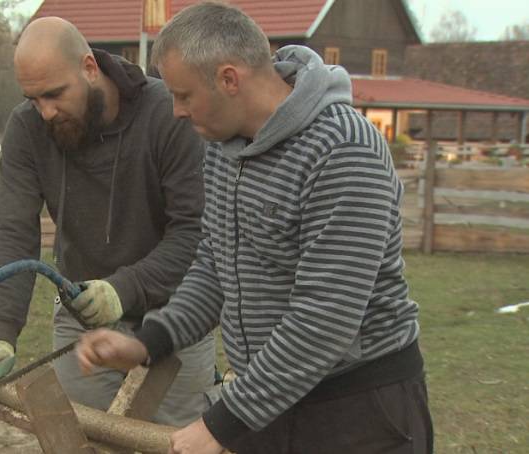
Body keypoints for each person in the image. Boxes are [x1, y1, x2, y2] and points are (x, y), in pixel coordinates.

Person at [77, 3, 434, 453]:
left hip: (355, 410)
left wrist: (220, 425)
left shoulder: (344, 151)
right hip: (268, 401)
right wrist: (151, 340)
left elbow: (324, 318)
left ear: (229, 79)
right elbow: (214, 264)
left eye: (184, 95)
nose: (177, 112)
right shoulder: (225, 149)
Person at [0, 16, 217, 427]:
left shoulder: (168, 115)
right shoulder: (27, 128)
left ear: (89, 68)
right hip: (83, 326)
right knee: (82, 439)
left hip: (175, 320)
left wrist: (123, 289)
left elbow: (195, 233)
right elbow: (12, 230)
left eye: (55, 94)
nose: (45, 112)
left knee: (178, 442)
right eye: (33, 98)